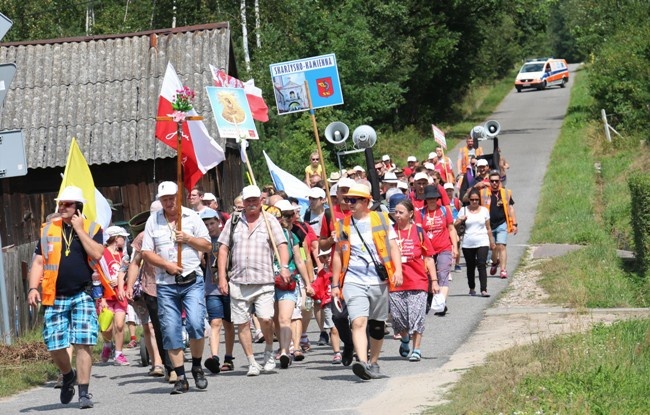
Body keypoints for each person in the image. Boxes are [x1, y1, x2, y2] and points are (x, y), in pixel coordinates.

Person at [27, 186, 105, 409]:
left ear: (78, 208)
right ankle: (67, 375)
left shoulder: (92, 227)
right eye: (60, 204)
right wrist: (33, 288)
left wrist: (79, 230)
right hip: (54, 295)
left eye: (67, 204)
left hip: (82, 292)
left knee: (83, 343)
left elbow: (98, 254)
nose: (62, 207)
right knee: (53, 343)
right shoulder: (49, 229)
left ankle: (83, 393)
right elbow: (40, 262)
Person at [141, 181, 212, 394]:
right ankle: (180, 376)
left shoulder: (192, 217)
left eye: (172, 198)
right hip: (166, 284)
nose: (169, 202)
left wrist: (188, 238)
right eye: (164, 199)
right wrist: (166, 264)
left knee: (195, 324)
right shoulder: (153, 221)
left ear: (178, 197)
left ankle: (197, 366)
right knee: (170, 331)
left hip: (192, 280)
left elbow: (208, 245)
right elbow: (146, 252)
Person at [217, 185, 292, 376]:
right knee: (242, 323)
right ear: (243, 202)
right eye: (247, 200)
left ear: (261, 201)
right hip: (238, 280)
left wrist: (284, 266)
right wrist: (222, 277)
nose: (251, 204)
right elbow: (223, 249)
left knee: (266, 319)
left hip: (264, 280)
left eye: (254, 200)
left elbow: (282, 245)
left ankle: (268, 349)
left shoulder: (270, 220)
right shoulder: (233, 221)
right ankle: (251, 361)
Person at [331, 183, 403, 380]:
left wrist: (398, 270)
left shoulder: (381, 219)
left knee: (377, 325)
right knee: (358, 321)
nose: (348, 203)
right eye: (347, 200)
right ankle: (362, 362)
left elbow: (393, 246)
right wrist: (335, 284)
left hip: (378, 281)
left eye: (353, 200)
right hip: (353, 280)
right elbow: (337, 255)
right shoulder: (342, 224)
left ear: (365, 201)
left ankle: (374, 362)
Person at [123, 201, 167, 379]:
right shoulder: (142, 237)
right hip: (147, 287)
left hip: (169, 286)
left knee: (165, 326)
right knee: (149, 326)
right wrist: (128, 285)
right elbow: (134, 262)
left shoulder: (173, 231)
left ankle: (169, 360)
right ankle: (157, 362)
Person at [391, 199, 438, 361]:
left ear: (410, 214)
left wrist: (434, 280)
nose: (397, 215)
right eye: (395, 212)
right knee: (398, 318)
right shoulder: (390, 232)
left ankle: (416, 349)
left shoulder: (419, 232)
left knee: (417, 316)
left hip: (418, 280)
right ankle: (405, 339)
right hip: (395, 283)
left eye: (400, 212)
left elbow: (429, 258)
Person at [273, 200, 313, 368]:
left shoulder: (292, 235)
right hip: (268, 280)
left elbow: (300, 260)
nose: (290, 219)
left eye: (292, 215)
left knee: (288, 317)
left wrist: (307, 282)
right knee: (273, 319)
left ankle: (287, 350)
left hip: (288, 281)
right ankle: (278, 347)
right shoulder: (268, 234)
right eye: (286, 215)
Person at [199, 208, 236, 374]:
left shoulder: (227, 238)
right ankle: (214, 357)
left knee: (229, 323)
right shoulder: (203, 241)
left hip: (229, 285)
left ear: (219, 223)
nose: (209, 227)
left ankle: (228, 357)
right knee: (215, 322)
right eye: (205, 224)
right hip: (211, 286)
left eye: (212, 223)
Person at [415, 185, 459, 315]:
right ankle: (431, 299)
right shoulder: (421, 213)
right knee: (428, 276)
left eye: (434, 198)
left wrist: (454, 247)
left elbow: (451, 229)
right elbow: (418, 232)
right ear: (425, 200)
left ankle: (441, 304)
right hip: (427, 250)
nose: (432, 200)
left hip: (444, 247)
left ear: (437, 198)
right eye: (429, 198)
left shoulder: (445, 210)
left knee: (443, 274)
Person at [98, 225, 131, 366]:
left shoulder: (123, 255)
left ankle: (118, 353)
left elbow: (129, 272)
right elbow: (97, 273)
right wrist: (102, 295)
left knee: (119, 324)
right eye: (122, 237)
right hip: (106, 294)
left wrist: (121, 280)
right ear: (115, 238)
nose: (124, 240)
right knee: (106, 327)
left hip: (120, 293)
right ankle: (107, 344)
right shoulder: (101, 253)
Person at [456, 189, 496, 297]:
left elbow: (488, 228)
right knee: (470, 266)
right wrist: (460, 220)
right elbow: (455, 226)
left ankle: (484, 289)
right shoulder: (463, 210)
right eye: (472, 200)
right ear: (468, 200)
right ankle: (471, 287)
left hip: (482, 241)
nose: (474, 202)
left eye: (476, 200)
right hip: (468, 242)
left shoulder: (484, 211)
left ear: (479, 200)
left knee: (482, 264)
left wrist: (491, 241)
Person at [480, 171, 518, 279]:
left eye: (497, 181)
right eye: (492, 181)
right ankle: (495, 262)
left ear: (500, 181)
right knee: (493, 247)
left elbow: (510, 208)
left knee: (501, 246)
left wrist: (514, 223)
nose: (494, 183)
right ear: (489, 182)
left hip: (502, 224)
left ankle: (503, 270)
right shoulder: (483, 193)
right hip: (489, 226)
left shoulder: (505, 193)